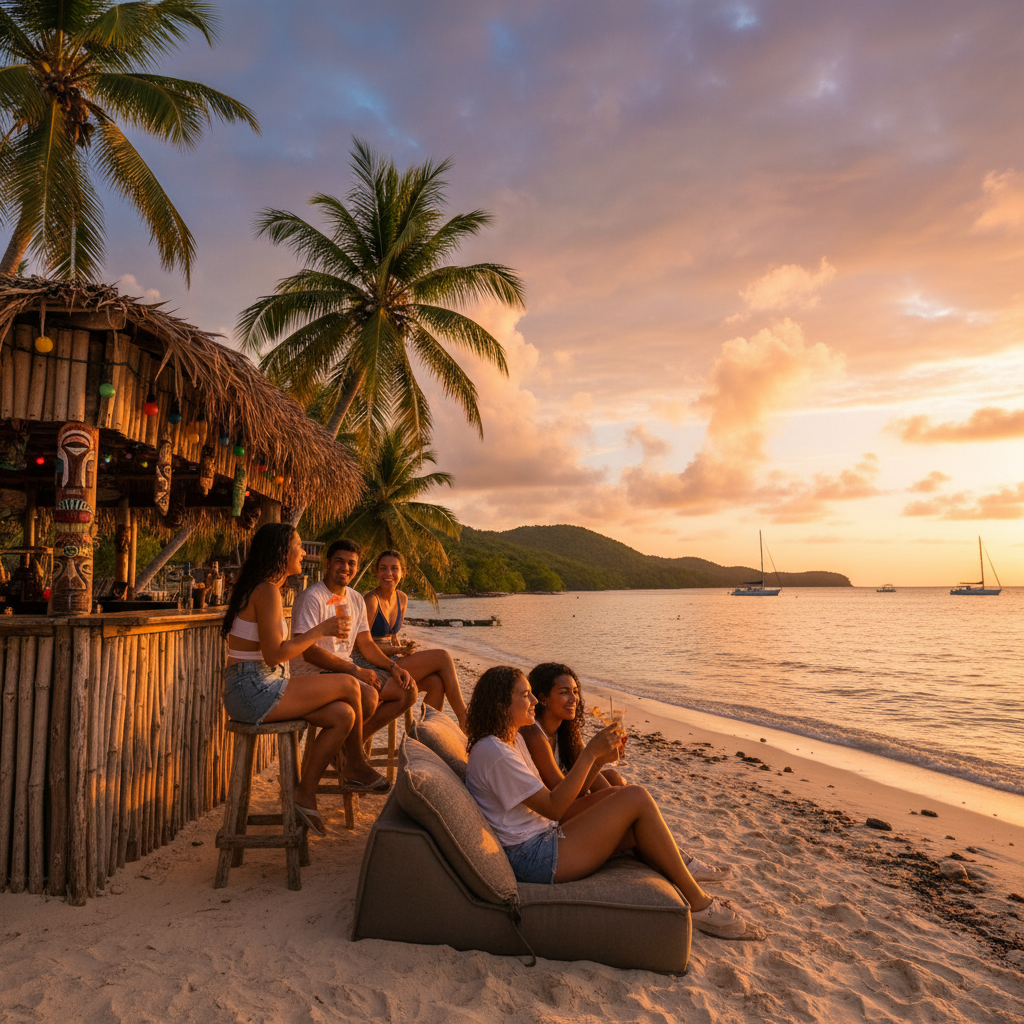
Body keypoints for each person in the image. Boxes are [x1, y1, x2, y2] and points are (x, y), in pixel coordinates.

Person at [464, 666, 756, 940]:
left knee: (630, 812)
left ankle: (683, 878)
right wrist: (590, 754)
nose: (533, 701)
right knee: (635, 796)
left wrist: (598, 758)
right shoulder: (496, 753)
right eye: (525, 695)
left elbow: (549, 805)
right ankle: (701, 906)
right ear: (502, 704)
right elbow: (554, 807)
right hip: (533, 858)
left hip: (541, 837)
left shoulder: (508, 742)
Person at [221, 524, 384, 838]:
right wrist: (320, 630)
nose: (304, 552)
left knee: (343, 715)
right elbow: (274, 655)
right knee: (350, 684)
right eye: (298, 545)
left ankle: (305, 792)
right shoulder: (266, 590)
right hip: (251, 689)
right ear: (281, 552)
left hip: (258, 685)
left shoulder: (265, 588)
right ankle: (354, 764)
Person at [521, 662, 731, 883]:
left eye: (575, 691)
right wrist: (596, 761)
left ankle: (658, 846)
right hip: (552, 815)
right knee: (628, 798)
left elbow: (586, 779)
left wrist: (603, 759)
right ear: (543, 698)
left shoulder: (565, 732)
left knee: (614, 778)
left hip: (563, 806)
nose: (574, 698)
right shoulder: (535, 735)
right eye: (564, 692)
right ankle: (674, 857)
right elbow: (563, 799)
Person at [291, 539, 418, 776]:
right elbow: (308, 652)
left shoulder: (355, 598)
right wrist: (355, 671)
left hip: (342, 672)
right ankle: (351, 757)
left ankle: (345, 749)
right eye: (339, 561)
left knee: (407, 690)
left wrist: (393, 667)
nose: (345, 568)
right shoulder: (312, 597)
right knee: (368, 696)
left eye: (351, 563)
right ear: (328, 563)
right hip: (311, 674)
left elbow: (366, 643)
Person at [355, 549, 468, 729]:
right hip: (370, 663)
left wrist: (403, 648)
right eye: (383, 568)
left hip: (392, 660)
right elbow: (362, 645)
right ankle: (464, 718)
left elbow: (392, 635)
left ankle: (427, 735)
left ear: (403, 573)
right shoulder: (371, 600)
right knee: (443, 657)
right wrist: (398, 650)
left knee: (436, 683)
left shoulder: (402, 598)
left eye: (394, 568)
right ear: (377, 572)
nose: (388, 573)